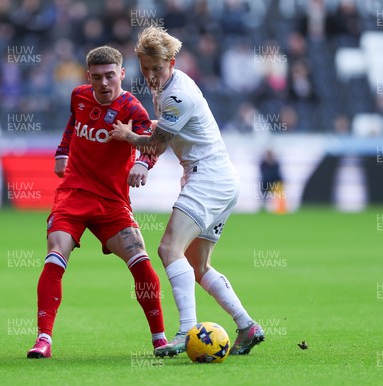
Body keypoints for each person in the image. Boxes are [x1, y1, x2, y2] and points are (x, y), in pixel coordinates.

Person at [108, 26, 264, 357]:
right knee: (198, 266)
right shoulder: (169, 89)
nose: (150, 75)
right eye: (145, 68)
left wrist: (127, 136)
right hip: (218, 178)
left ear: (172, 62)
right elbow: (163, 130)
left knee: (167, 249)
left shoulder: (177, 95)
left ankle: (186, 331)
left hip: (208, 178)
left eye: (157, 68)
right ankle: (247, 325)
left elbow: (157, 144)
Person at [27, 46, 167, 359]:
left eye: (110, 76)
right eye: (97, 77)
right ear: (88, 76)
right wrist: (62, 152)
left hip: (112, 201)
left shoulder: (133, 109)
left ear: (122, 74)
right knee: (54, 255)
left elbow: (154, 142)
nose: (103, 83)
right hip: (73, 194)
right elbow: (72, 122)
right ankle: (43, 340)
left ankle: (160, 339)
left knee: (141, 261)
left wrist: (143, 164)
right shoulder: (79, 96)